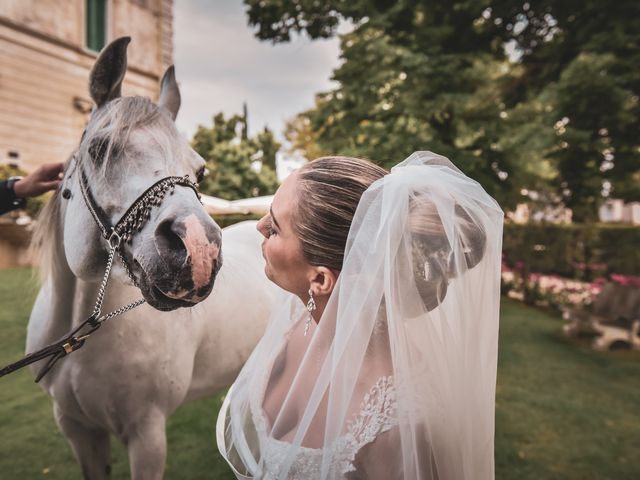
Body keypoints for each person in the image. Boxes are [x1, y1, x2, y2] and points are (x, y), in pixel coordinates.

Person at [217, 151, 504, 479]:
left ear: (322, 280)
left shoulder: (395, 428)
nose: (259, 226)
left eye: (275, 228)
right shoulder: (298, 314)